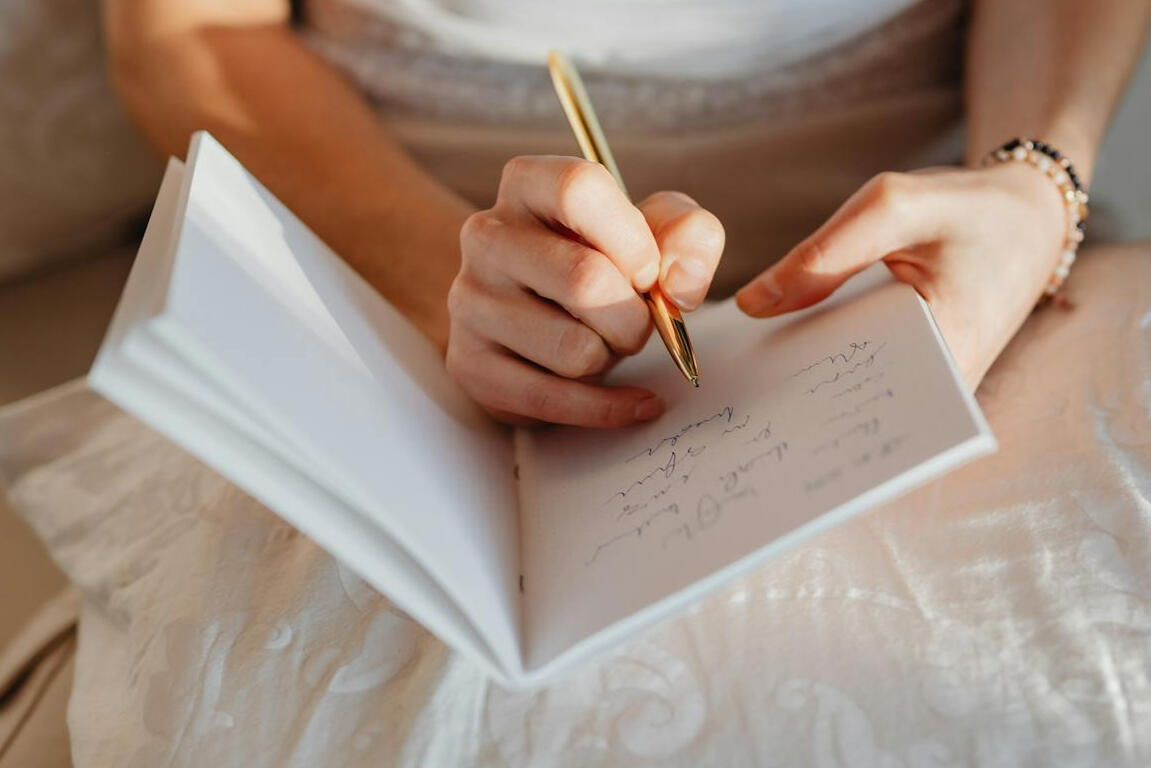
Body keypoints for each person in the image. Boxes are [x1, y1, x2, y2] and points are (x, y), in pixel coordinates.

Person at [103, 0, 1150, 428]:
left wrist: (1032, 185)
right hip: (396, 255)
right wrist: (443, 281)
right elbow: (186, 33)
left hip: (950, 231)